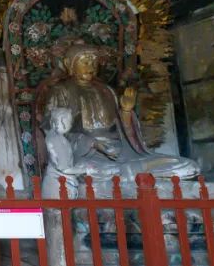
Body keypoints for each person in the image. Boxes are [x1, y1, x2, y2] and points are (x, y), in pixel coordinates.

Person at [42, 43, 198, 182]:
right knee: (90, 171)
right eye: (85, 62)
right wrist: (92, 143)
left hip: (123, 154)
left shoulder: (107, 91)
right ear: (69, 64)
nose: (91, 66)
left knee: (189, 166)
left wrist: (126, 111)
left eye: (94, 62)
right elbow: (53, 132)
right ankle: (131, 176)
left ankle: (128, 175)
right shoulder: (60, 91)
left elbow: (125, 131)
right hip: (89, 156)